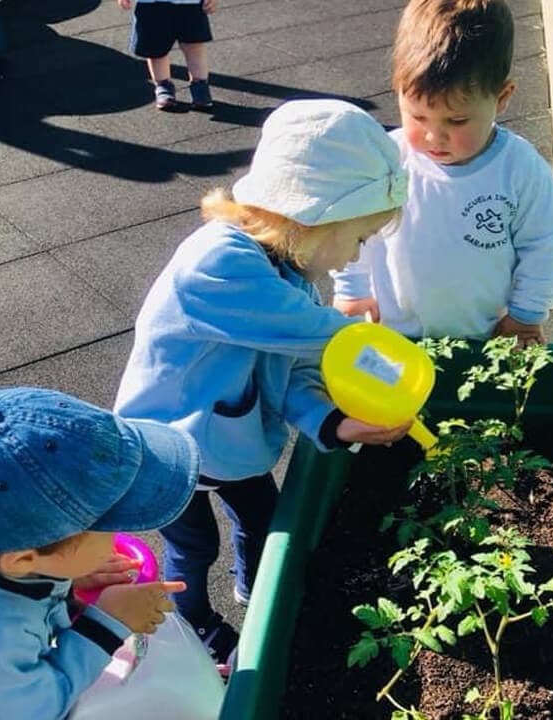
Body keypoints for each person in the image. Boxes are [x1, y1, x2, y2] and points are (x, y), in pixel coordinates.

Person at [114, 98, 412, 662]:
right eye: (360, 237)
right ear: (313, 216)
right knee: (193, 542)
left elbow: (297, 370)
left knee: (262, 518)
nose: (356, 255)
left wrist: (335, 422)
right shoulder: (219, 262)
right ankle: (192, 620)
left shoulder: (295, 279)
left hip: (231, 444)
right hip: (172, 445)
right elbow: (310, 333)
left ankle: (259, 595)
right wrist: (386, 353)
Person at [0, 387, 200, 720]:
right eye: (108, 527)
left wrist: (67, 575)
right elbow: (34, 710)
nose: (120, 534)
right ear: (25, 560)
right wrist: (107, 625)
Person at [331, 0, 553, 345]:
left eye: (456, 121)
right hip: (395, 334)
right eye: (417, 116)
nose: (433, 136)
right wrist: (352, 289)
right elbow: (351, 227)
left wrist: (525, 318)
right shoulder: (387, 158)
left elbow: (542, 246)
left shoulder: (520, 170)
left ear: (502, 98)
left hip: (483, 336)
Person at [118, 0, 217, 110]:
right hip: (152, 6)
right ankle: (163, 85)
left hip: (191, 4)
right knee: (155, 48)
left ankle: (200, 84)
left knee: (194, 45)